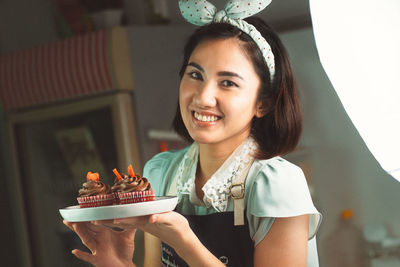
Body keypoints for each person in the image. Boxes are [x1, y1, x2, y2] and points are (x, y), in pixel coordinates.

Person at [64, 0, 322, 266]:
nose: (203, 97)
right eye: (195, 75)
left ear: (263, 103)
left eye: (228, 83)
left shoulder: (276, 185)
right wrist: (121, 264)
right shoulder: (162, 173)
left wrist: (185, 244)